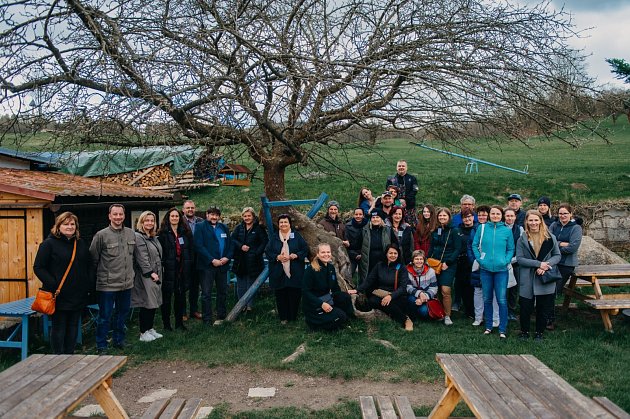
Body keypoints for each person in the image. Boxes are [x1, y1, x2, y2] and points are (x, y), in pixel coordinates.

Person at [33, 212, 93, 354]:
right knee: (59, 327)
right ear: (58, 226)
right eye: (66, 224)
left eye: (72, 224)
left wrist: (88, 283)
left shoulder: (80, 243)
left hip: (77, 293)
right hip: (59, 294)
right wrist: (53, 284)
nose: (69, 227)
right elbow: (38, 267)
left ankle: (69, 355)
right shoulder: (49, 244)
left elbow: (89, 263)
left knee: (73, 326)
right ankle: (58, 357)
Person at [90, 203, 136, 353]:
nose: (118, 217)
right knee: (105, 316)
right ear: (109, 216)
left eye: (120, 214)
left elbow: (132, 257)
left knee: (122, 314)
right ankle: (101, 344)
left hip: (126, 283)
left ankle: (119, 340)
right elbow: (93, 259)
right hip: (107, 285)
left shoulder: (130, 233)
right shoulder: (101, 235)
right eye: (115, 214)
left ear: (124, 215)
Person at [516, 210, 561, 341]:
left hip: (545, 276)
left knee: (543, 307)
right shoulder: (522, 238)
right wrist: (538, 264)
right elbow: (520, 259)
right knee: (525, 307)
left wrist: (546, 266)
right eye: (531, 220)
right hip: (528, 277)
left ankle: (539, 333)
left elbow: (557, 255)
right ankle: (524, 331)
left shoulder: (550, 237)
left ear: (541, 221)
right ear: (526, 222)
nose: (533, 223)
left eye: (536, 220)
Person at [472, 205, 514, 339]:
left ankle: (502, 328)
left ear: (501, 216)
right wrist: (480, 260)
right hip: (485, 269)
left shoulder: (507, 230)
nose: (495, 216)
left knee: (501, 299)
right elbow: (474, 245)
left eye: (498, 214)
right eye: (493, 213)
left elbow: (511, 248)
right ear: (489, 215)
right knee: (487, 298)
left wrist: (506, 260)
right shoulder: (482, 228)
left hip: (501, 270)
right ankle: (489, 326)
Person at [352, 245, 412, 330]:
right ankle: (392, 314)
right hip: (381, 294)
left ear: (398, 255)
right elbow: (369, 281)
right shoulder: (379, 265)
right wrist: (356, 290)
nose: (393, 255)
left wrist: (390, 296)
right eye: (390, 253)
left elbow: (403, 287)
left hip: (397, 295)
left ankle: (406, 320)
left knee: (388, 303)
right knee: (372, 301)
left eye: (395, 253)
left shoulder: (402, 267)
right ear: (386, 254)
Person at [265, 214, 309, 324]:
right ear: (278, 224)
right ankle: (283, 317)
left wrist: (296, 255)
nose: (283, 224)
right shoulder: (274, 237)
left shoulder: (297, 236)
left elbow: (305, 249)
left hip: (295, 270)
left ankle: (293, 316)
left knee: (294, 293)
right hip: (278, 270)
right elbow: (268, 251)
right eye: (281, 222)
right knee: (281, 294)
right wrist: (277, 257)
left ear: (290, 224)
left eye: (285, 222)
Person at [194, 206, 233, 324]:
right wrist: (212, 260)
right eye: (212, 214)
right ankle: (207, 318)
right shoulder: (200, 227)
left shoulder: (224, 227)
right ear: (207, 215)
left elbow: (230, 245)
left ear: (219, 216)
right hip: (207, 266)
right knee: (206, 293)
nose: (214, 217)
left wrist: (227, 257)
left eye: (216, 215)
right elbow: (199, 246)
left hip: (222, 265)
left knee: (223, 292)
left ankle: (221, 316)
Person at [302, 243, 355, 331]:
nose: (326, 254)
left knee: (345, 297)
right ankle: (314, 324)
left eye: (328, 252)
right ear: (317, 254)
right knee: (340, 316)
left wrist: (345, 294)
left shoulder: (330, 267)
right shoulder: (310, 270)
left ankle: (344, 319)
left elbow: (335, 288)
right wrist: (321, 304)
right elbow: (305, 292)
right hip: (315, 305)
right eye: (323, 252)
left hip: (327, 299)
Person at [547, 203, 583, 330]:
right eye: (560, 213)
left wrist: (555, 246)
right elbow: (547, 241)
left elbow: (572, 247)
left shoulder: (576, 228)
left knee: (555, 290)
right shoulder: (553, 225)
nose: (562, 216)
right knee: (548, 290)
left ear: (571, 214)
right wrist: (561, 244)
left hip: (566, 264)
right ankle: (547, 316)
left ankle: (550, 320)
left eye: (565, 213)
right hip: (552, 262)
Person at [158, 208, 194, 331]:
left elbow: (190, 250)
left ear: (180, 218)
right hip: (168, 270)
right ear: (168, 218)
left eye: (177, 216)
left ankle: (179, 323)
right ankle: (167, 325)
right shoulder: (163, 234)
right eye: (172, 216)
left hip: (182, 270)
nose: (174, 218)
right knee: (167, 299)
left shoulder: (185, 232)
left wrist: (189, 264)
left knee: (180, 298)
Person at [131, 211, 164, 342]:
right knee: (146, 303)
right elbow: (142, 257)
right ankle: (143, 332)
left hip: (157, 273)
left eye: (152, 221)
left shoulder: (153, 237)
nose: (149, 223)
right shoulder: (139, 237)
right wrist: (150, 273)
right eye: (147, 221)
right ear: (141, 222)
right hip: (147, 275)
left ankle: (150, 329)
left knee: (154, 302)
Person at [427, 208, 461, 326]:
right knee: (437, 290)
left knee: (445, 290)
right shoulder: (435, 231)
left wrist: (448, 262)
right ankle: (439, 312)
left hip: (448, 264)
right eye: (440, 216)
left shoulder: (454, 231)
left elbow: (457, 249)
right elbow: (432, 247)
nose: (442, 218)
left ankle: (447, 315)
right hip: (435, 264)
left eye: (444, 216)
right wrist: (427, 260)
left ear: (449, 217)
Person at [230, 207, 268, 312]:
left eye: (249, 216)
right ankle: (241, 306)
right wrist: (241, 246)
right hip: (240, 260)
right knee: (241, 284)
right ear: (242, 217)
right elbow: (232, 239)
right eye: (245, 216)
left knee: (250, 284)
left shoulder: (259, 228)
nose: (247, 218)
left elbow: (264, 241)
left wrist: (256, 253)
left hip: (254, 260)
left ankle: (250, 306)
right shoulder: (239, 227)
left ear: (253, 216)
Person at [467, 205, 498, 327]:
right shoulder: (474, 229)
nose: (481, 217)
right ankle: (478, 317)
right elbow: (470, 246)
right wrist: (475, 260)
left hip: (491, 265)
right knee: (478, 291)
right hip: (477, 264)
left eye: (484, 215)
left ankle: (495, 318)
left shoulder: (493, 228)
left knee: (494, 292)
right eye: (479, 215)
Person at [359, 209, 397, 284]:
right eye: (373, 217)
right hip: (369, 261)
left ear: (381, 219)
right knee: (370, 280)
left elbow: (395, 244)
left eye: (377, 217)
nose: (375, 219)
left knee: (383, 280)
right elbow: (358, 245)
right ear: (370, 219)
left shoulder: (388, 230)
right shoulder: (364, 230)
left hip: (384, 260)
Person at [182, 200, 204, 320]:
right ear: (183, 210)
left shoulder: (201, 221)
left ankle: (194, 310)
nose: (190, 209)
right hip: (185, 259)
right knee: (184, 286)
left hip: (198, 259)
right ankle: (183, 312)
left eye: (192, 207)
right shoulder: (180, 221)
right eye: (188, 208)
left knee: (195, 287)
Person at [453, 208, 475, 318]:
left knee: (472, 286)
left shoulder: (477, 229)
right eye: (465, 217)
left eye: (469, 216)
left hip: (473, 261)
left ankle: (473, 310)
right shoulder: (457, 230)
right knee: (463, 285)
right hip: (461, 261)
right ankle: (467, 310)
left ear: (473, 217)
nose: (467, 219)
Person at [405, 250, 438, 321]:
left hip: (427, 297)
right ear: (413, 260)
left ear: (424, 260)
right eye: (416, 259)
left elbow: (434, 288)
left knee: (424, 312)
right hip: (414, 295)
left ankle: (420, 311)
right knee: (411, 300)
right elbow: (408, 287)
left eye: (421, 259)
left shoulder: (431, 271)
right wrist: (420, 293)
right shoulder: (407, 270)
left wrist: (424, 297)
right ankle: (412, 315)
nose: (419, 261)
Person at [504, 208, 524, 322]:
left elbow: (521, 246)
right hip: (502, 263)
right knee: (502, 288)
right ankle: (503, 310)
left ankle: (511, 310)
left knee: (513, 288)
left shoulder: (519, 229)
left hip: (515, 262)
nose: (509, 218)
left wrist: (513, 259)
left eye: (512, 216)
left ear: (515, 217)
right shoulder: (500, 228)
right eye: (507, 216)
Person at [385, 160, 419, 225]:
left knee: (411, 226)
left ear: (406, 167)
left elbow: (415, 190)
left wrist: (405, 199)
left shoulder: (412, 178)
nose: (401, 167)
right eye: (399, 166)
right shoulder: (391, 179)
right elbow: (388, 191)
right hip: (395, 207)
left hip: (409, 207)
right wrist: (397, 201)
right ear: (396, 167)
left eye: (403, 166)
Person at [345, 207, 367, 279]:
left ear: (363, 215)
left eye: (360, 214)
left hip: (364, 254)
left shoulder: (368, 225)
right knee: (349, 274)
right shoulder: (348, 226)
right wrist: (355, 255)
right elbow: (346, 242)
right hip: (352, 254)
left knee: (365, 275)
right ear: (353, 215)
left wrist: (362, 254)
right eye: (356, 214)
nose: (358, 216)